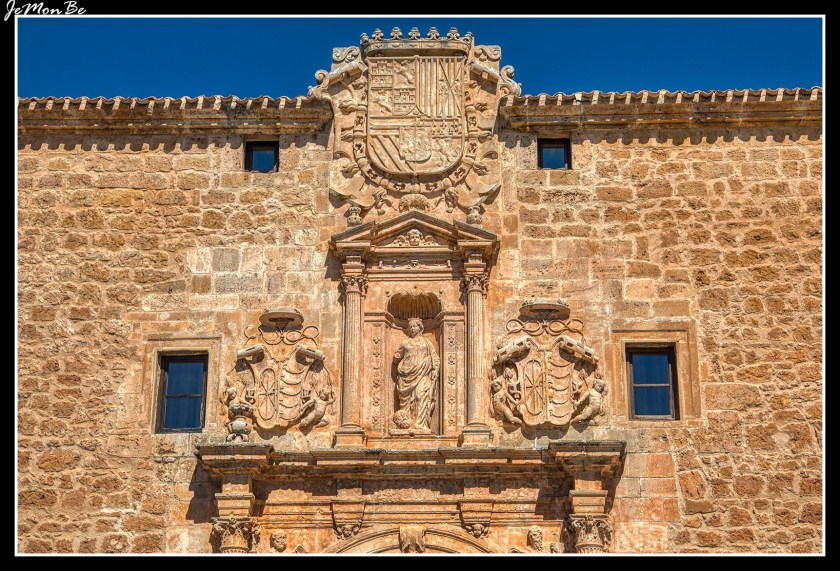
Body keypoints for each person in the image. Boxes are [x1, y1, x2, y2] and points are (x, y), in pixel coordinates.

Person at [393, 318, 440, 430]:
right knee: (406, 401)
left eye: (414, 326)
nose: (412, 328)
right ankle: (405, 423)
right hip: (406, 375)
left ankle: (420, 424)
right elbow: (397, 357)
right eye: (410, 327)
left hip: (423, 374)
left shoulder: (427, 343)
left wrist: (435, 369)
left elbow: (435, 358)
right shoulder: (405, 343)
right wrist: (396, 356)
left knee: (421, 395)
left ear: (420, 328)